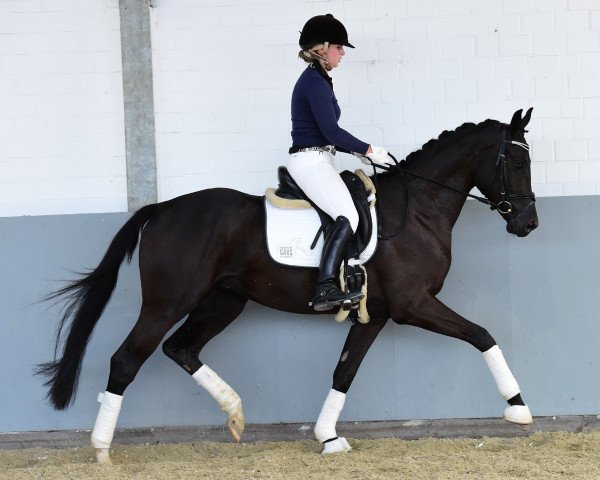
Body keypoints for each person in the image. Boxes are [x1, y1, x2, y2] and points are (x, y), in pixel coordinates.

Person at [288, 13, 393, 312]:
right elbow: (330, 131)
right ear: (322, 48)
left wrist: (358, 152)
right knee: (348, 215)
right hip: (309, 162)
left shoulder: (320, 80)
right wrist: (369, 149)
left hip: (320, 158)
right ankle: (325, 288)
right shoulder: (313, 82)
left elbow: (328, 134)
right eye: (338, 47)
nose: (342, 52)